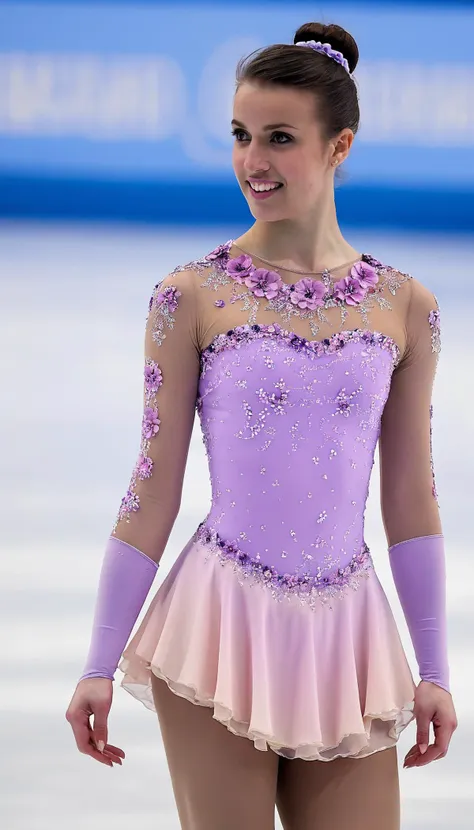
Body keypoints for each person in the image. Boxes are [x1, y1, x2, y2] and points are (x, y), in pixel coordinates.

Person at [65, 21, 458, 830]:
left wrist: (437, 669)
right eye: (242, 136)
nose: (254, 160)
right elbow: (150, 489)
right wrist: (99, 662)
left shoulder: (405, 308)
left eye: (280, 138)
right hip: (218, 626)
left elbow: (412, 501)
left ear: (338, 145)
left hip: (348, 641)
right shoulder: (191, 296)